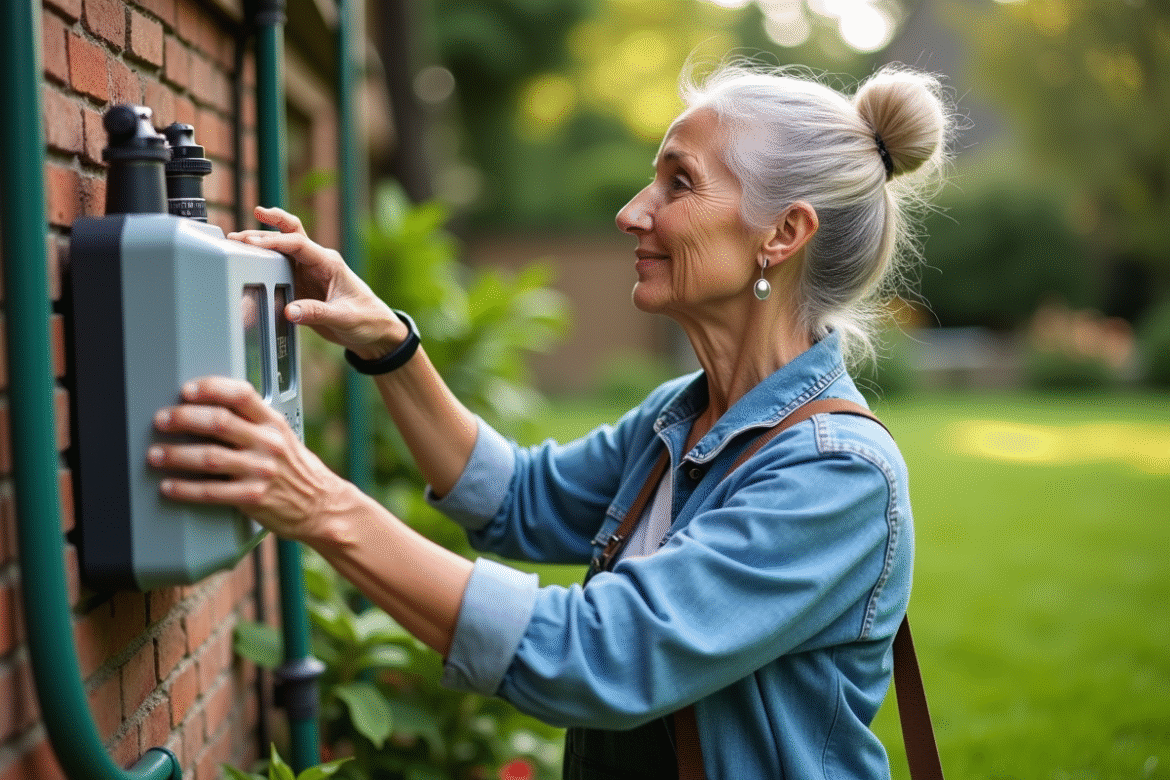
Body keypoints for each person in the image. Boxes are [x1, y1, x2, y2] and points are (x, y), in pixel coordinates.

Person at [149, 60, 951, 779]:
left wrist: (321, 505)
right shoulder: (680, 418)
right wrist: (389, 343)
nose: (633, 212)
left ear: (784, 233)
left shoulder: (835, 474)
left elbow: (599, 655)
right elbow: (514, 501)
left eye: (679, 183)